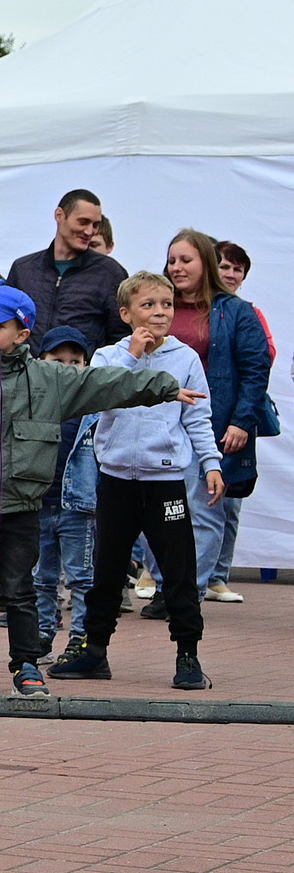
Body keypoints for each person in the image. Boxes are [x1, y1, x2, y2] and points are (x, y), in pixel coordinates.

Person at [0, 286, 184, 698]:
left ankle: (25, 666)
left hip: (21, 507)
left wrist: (163, 387)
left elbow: (107, 383)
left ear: (22, 334)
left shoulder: (49, 380)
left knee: (20, 590)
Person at [50, 272, 222, 690]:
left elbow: (198, 417)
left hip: (165, 481)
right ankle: (94, 652)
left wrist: (211, 463)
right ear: (126, 313)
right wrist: (132, 355)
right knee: (107, 571)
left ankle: (188, 656)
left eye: (166, 303)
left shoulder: (185, 360)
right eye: (148, 305)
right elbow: (100, 394)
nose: (160, 311)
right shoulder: (111, 356)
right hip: (116, 481)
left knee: (178, 571)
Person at [139, 229, 267, 621]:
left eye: (186, 260)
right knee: (157, 510)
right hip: (158, 424)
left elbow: (255, 369)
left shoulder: (235, 310)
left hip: (213, 425)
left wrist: (243, 421)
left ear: (206, 264)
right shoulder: (159, 305)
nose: (177, 268)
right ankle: (164, 586)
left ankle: (188, 592)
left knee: (203, 511)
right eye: (172, 260)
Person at [32, 328, 104, 662]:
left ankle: (80, 637)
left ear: (86, 365)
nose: (66, 367)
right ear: (40, 362)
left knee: (81, 577)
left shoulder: (93, 409)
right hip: (38, 502)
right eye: (57, 360)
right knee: (41, 577)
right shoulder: (32, 402)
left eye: (74, 362)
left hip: (77, 505)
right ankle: (44, 632)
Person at [211, 240, 271, 600]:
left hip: (234, 419)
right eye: (225, 266)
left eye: (238, 269)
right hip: (200, 416)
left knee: (229, 503)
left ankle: (217, 575)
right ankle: (155, 577)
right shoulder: (185, 308)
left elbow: (264, 357)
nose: (231, 274)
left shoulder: (248, 313)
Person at [5, 189, 128, 353]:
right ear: (59, 215)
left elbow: (121, 338)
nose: (89, 231)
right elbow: (4, 325)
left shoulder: (110, 273)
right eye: (83, 222)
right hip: (27, 374)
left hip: (84, 377)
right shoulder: (23, 269)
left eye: (95, 225)